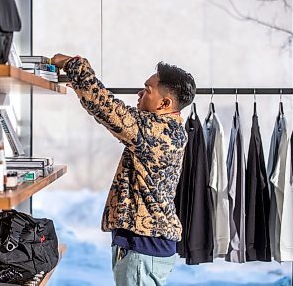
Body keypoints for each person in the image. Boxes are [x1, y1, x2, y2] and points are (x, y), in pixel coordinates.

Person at [51, 54, 196, 286]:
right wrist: (84, 87)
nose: (139, 94)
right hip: (145, 247)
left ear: (165, 103)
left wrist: (73, 64)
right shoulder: (168, 129)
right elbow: (108, 109)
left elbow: (107, 108)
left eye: (147, 90)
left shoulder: (156, 131)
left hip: (142, 248)